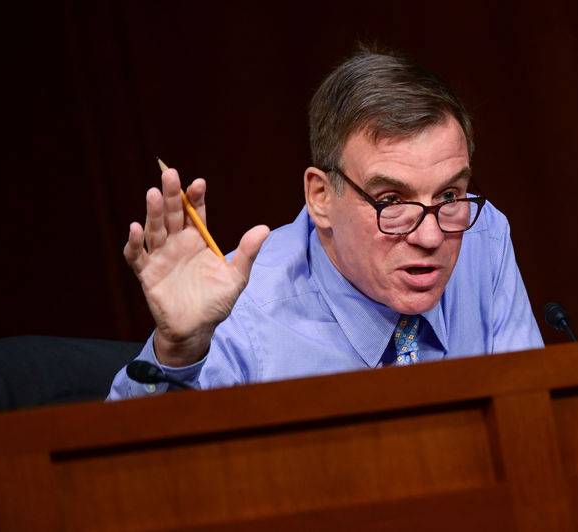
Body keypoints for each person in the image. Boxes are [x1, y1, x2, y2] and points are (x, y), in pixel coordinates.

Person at [108, 47, 543, 400]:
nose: (430, 236)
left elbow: (533, 413)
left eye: (448, 195)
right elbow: (120, 480)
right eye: (391, 200)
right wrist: (179, 352)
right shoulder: (241, 314)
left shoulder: (483, 237)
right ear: (320, 197)